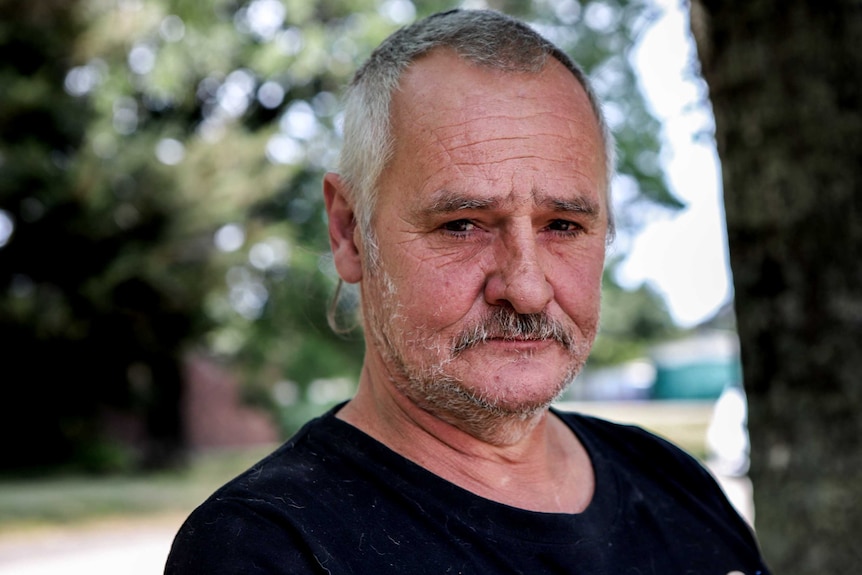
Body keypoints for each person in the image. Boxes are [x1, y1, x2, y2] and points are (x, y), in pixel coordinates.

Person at [166, 9, 771, 574]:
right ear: (350, 232)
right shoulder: (268, 547)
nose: (527, 290)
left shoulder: (674, 486)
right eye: (462, 225)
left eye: (564, 226)